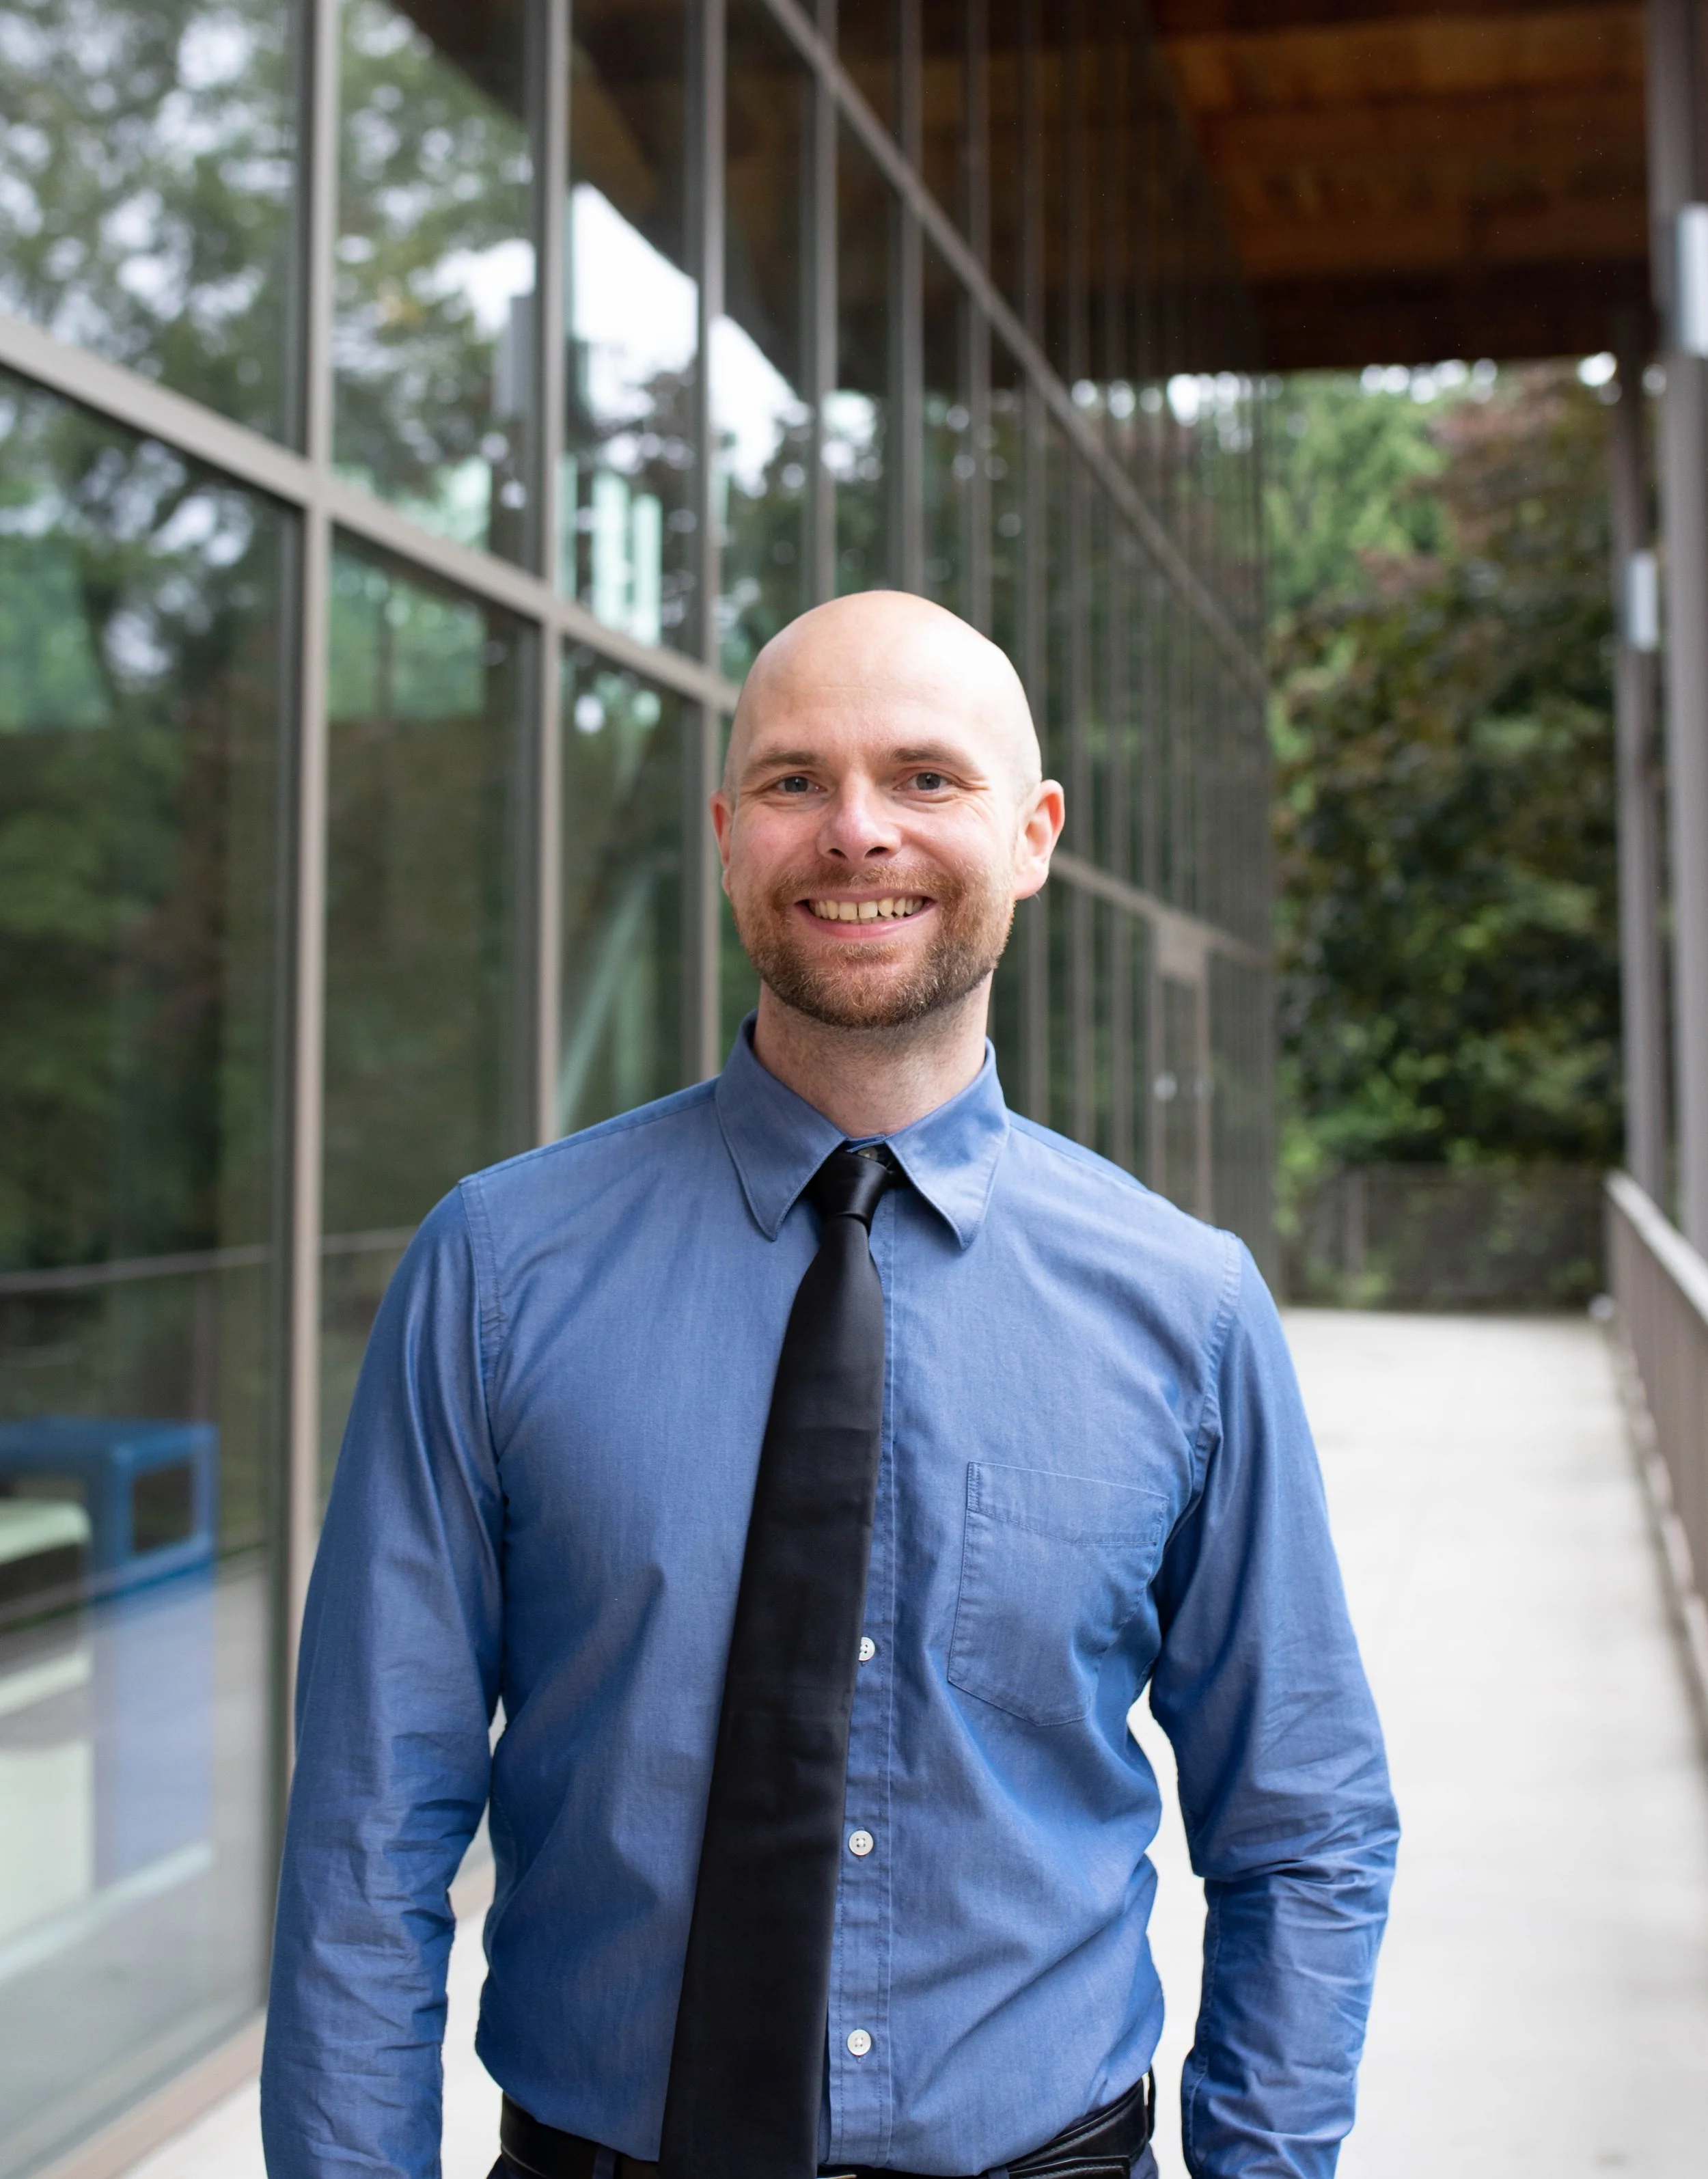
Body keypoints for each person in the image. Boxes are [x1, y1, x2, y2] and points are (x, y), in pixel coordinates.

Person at [261, 591, 1397, 2179]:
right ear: (728, 834)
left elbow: (1303, 1822)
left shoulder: (1183, 1307)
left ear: (1032, 833)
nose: (855, 831)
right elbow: (366, 1837)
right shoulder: (497, 1272)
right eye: (796, 781)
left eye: (925, 777)